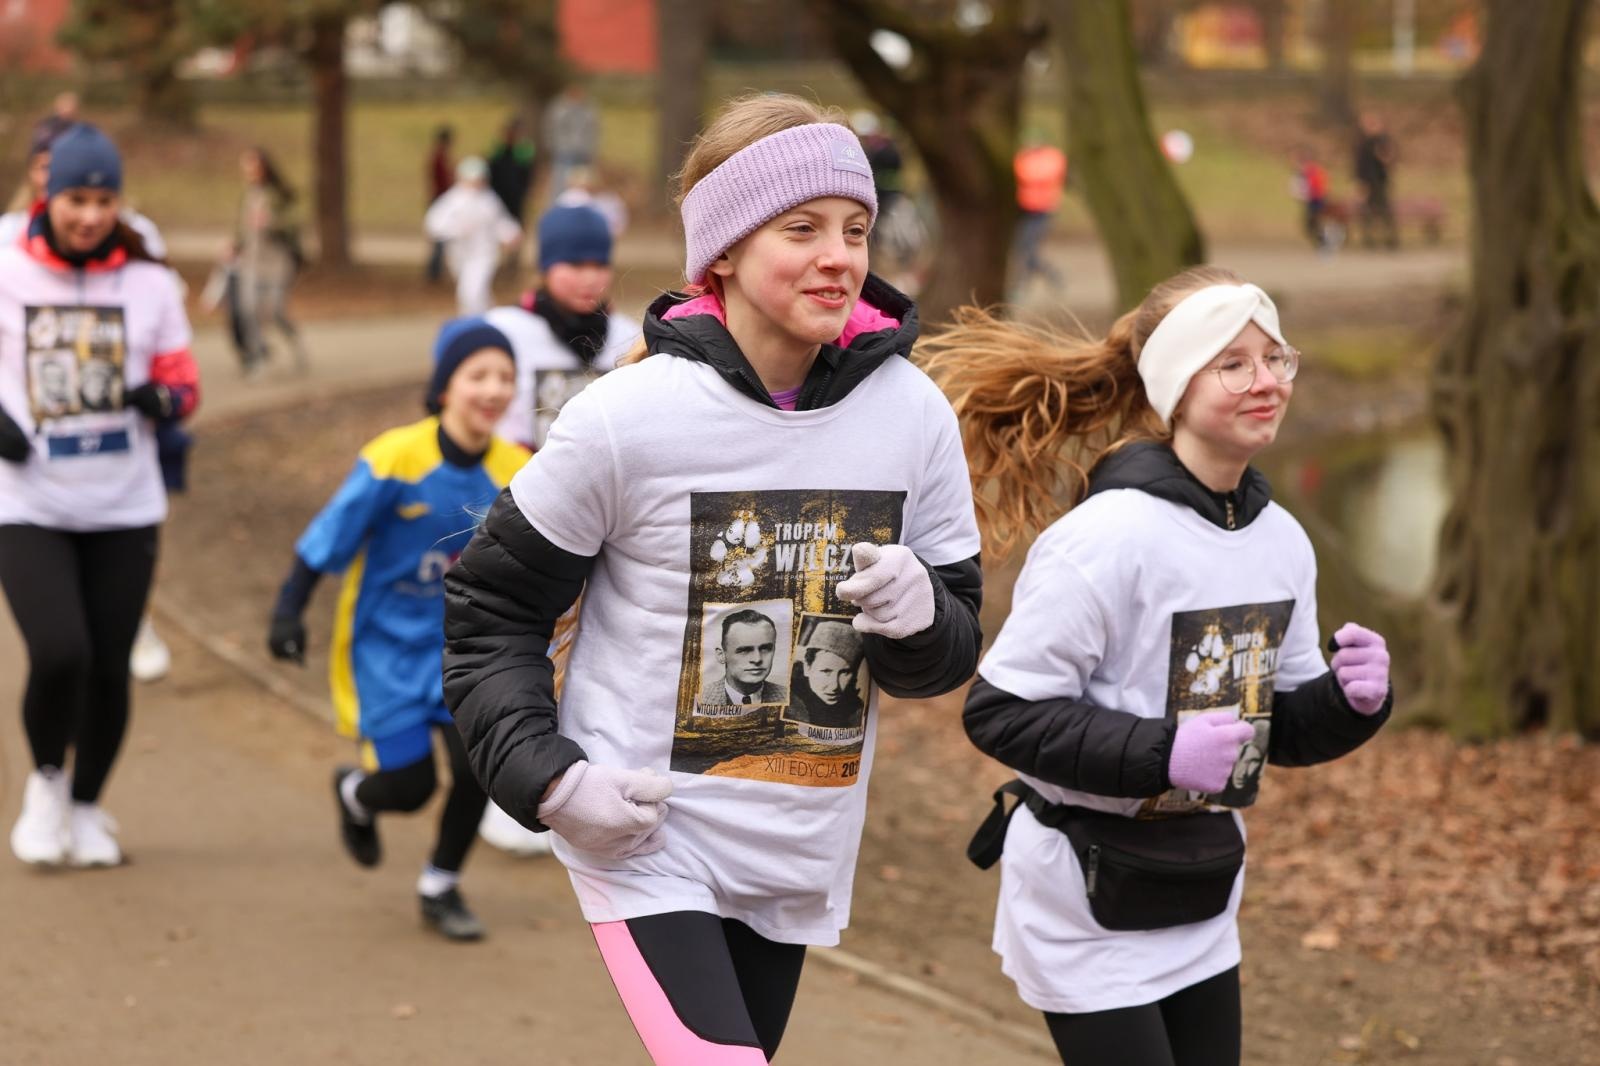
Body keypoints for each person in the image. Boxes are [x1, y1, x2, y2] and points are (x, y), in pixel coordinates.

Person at [441, 93, 984, 1064]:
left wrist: (921, 620)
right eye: (802, 228)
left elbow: (944, 652)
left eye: (855, 230)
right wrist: (552, 781)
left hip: (796, 839)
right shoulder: (626, 419)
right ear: (722, 252)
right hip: (646, 836)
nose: (839, 255)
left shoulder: (913, 415)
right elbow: (490, 613)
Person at [920, 265, 1394, 1066]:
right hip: (1084, 891)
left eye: (1276, 359)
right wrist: (1163, 751)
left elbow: (1277, 728)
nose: (1266, 383)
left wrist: (1349, 704)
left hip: (1200, 884)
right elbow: (998, 712)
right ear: (1176, 386)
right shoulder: (1105, 540)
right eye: (1233, 364)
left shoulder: (1282, 540)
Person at [267, 317, 527, 941]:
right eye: (478, 376)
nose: (493, 390)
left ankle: (441, 883)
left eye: (506, 378)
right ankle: (358, 793)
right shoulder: (393, 458)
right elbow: (330, 533)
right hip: (384, 649)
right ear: (444, 387)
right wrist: (288, 608)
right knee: (409, 787)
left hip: (467, 651)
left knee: (475, 773)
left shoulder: (518, 469)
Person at [0, 124, 200, 868]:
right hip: (29, 500)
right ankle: (46, 787)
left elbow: (186, 382)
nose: (89, 214)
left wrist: (162, 399)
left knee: (110, 666)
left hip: (123, 504)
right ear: (48, 194)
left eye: (104, 199)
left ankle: (87, 809)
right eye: (76, 198)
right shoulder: (6, 262)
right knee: (59, 652)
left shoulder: (147, 280)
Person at [484, 203, 636, 451]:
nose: (589, 279)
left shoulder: (629, 336)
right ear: (546, 268)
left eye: (599, 266)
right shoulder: (503, 331)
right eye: (575, 265)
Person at [233, 147, 308, 376]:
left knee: (275, 311)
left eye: (252, 165)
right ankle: (258, 358)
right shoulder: (248, 194)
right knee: (248, 310)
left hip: (276, 262)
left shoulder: (278, 194)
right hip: (251, 262)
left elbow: (294, 224)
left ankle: (295, 343)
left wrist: (272, 223)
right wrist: (235, 246)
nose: (248, 171)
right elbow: (241, 228)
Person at [425, 156, 522, 317]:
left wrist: (511, 234)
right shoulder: (453, 200)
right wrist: (456, 230)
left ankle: (471, 323)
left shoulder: (489, 199)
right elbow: (434, 225)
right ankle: (492, 319)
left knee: (470, 291)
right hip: (459, 254)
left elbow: (500, 222)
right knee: (478, 292)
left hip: (483, 253)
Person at [1012, 136, 1068, 295]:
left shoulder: (1052, 157)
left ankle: (1052, 277)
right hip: (1025, 209)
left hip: (1043, 210)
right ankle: (1024, 284)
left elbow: (1032, 175)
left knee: (1029, 250)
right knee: (1024, 249)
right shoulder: (1023, 156)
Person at [785, 619, 864, 730]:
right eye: (826, 671)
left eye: (845, 673)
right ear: (807, 668)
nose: (834, 687)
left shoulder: (855, 709)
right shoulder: (787, 700)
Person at [705, 609, 788, 708]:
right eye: (744, 650)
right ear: (721, 655)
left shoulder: (790, 699)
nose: (757, 659)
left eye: (765, 649)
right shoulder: (701, 698)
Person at [542, 84, 600, 200]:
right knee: (561, 181)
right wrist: (553, 147)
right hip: (564, 151)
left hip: (583, 152)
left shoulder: (588, 110)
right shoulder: (559, 109)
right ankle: (559, 204)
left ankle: (581, 203)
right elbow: (551, 129)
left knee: (582, 181)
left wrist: (591, 149)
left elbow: (593, 131)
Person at [1353, 111, 1398, 250]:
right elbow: (1359, 164)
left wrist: (1384, 157)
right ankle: (1369, 239)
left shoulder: (1384, 140)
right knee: (1366, 211)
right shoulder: (1362, 142)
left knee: (1385, 211)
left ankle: (1391, 239)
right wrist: (1360, 182)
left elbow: (1389, 160)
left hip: (1381, 181)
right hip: (1367, 181)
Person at [487, 118, 536, 226]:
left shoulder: (523, 150)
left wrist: (527, 188)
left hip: (516, 191)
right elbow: (492, 169)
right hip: (499, 190)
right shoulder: (498, 150)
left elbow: (527, 171)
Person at [1290, 145, 1333, 252]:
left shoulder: (1314, 171)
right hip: (1312, 201)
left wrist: (1306, 194)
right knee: (1311, 225)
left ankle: (1326, 242)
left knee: (1313, 224)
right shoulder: (1305, 173)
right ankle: (1323, 243)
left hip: (1317, 201)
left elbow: (1319, 188)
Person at [425, 125, 454, 283]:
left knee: (441, 240)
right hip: (440, 201)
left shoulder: (439, 157)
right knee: (439, 238)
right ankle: (433, 272)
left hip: (442, 200)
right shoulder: (438, 158)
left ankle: (436, 271)